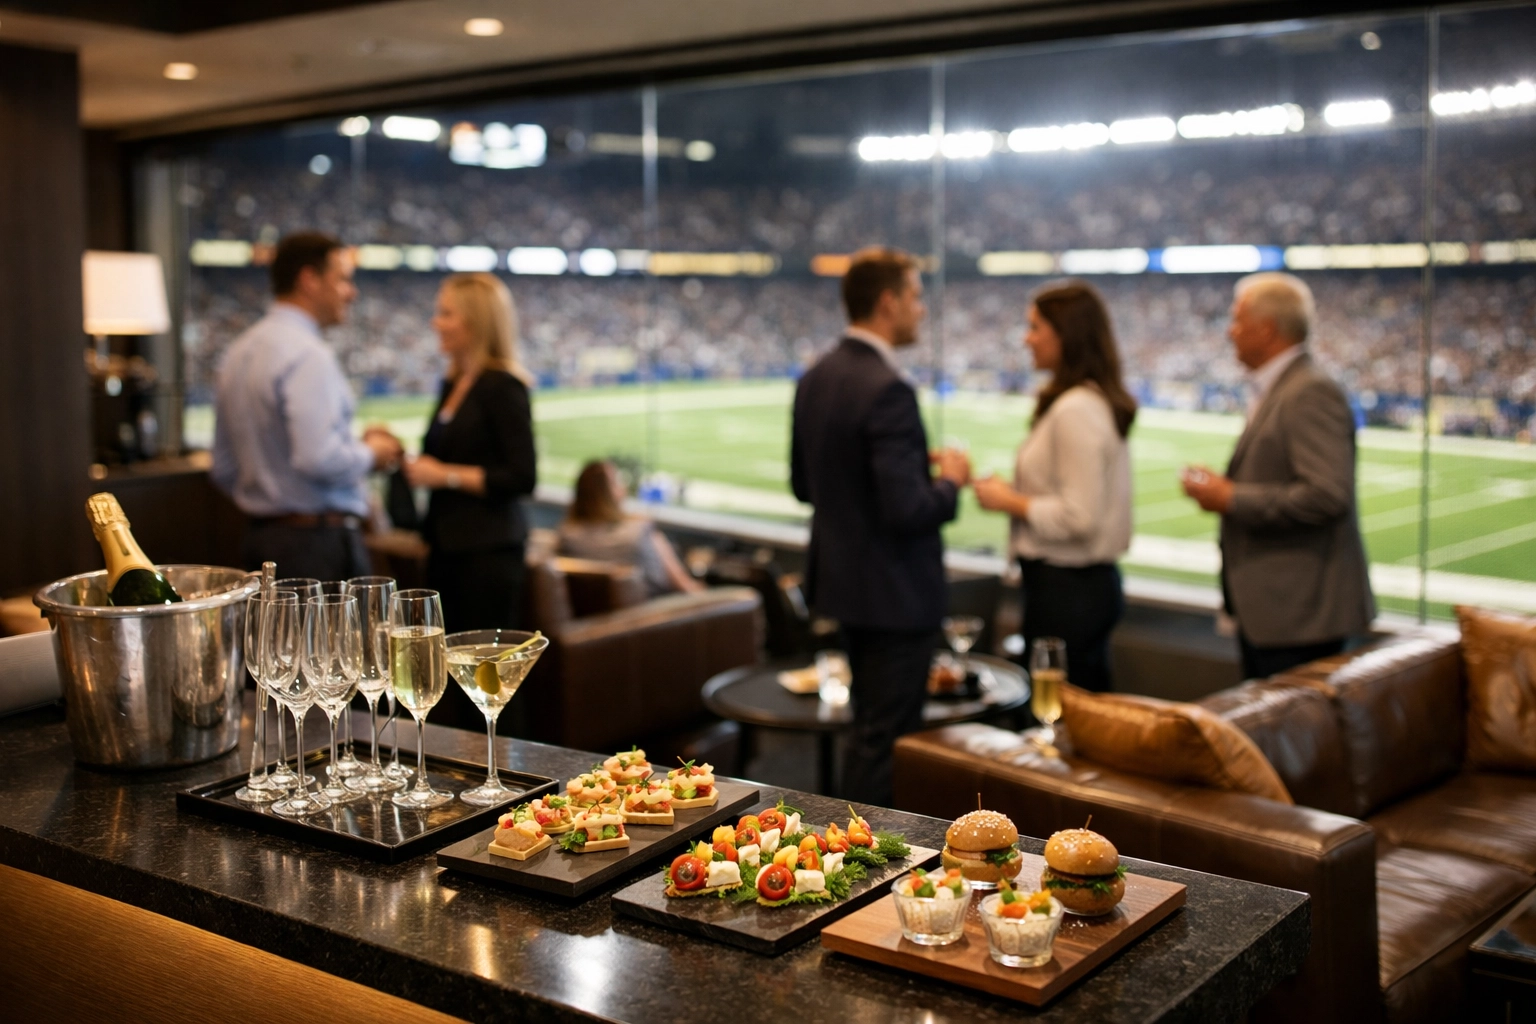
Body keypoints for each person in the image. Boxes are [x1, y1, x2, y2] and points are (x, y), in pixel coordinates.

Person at [790, 246, 971, 805]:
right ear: (888, 302)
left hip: (844, 587)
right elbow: (908, 511)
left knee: (867, 733)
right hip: (894, 595)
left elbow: (803, 486)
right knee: (887, 742)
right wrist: (951, 482)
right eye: (916, 297)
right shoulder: (888, 386)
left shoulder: (817, 375)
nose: (922, 310)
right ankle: (873, 867)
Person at [1181, 272, 1375, 679]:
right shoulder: (1284, 386)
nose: (1229, 332)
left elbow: (1327, 494)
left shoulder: (1309, 391)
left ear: (1266, 329)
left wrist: (1230, 497)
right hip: (1278, 614)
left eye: (1237, 321)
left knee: (1289, 737)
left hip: (1299, 618)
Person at [972, 281, 1135, 692]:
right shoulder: (1083, 402)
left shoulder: (1076, 409)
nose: (1027, 339)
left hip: (1068, 589)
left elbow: (1079, 516)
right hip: (1072, 587)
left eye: (1035, 327)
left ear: (1067, 334)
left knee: (1062, 721)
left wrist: (1009, 501)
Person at [211, 232, 401, 581]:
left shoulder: (238, 351)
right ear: (309, 280)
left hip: (259, 535)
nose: (351, 292)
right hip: (316, 544)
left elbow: (223, 466)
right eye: (343, 279)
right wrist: (372, 453)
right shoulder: (307, 354)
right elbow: (318, 458)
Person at [403, 273, 537, 637]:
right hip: (446, 547)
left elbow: (522, 476)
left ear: (476, 321)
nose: (437, 322)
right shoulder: (454, 382)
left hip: (487, 553)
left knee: (484, 675)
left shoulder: (502, 386)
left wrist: (443, 475)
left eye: (447, 313)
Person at [557, 460, 704, 597]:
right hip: (651, 618)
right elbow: (686, 589)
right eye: (617, 483)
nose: (624, 488)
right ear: (608, 494)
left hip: (586, 618)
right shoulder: (641, 531)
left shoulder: (565, 536)